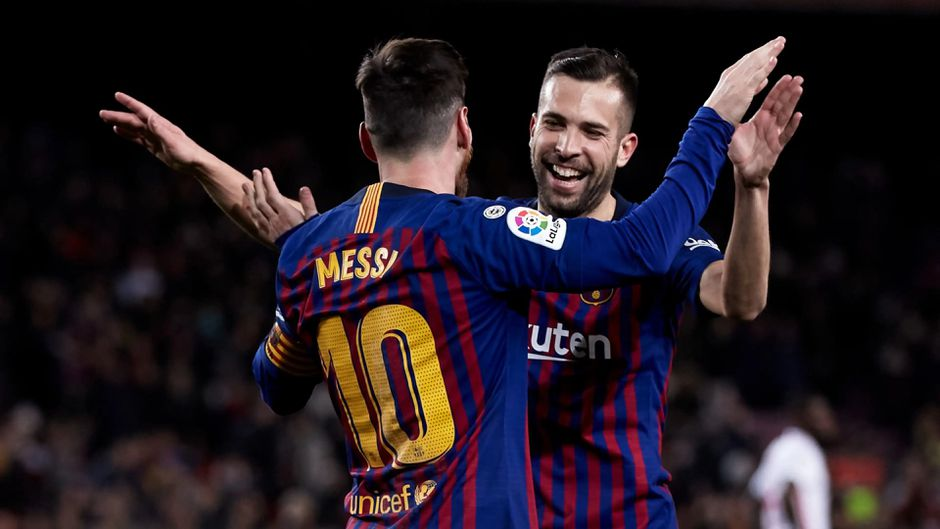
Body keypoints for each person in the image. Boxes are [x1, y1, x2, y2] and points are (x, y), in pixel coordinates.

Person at [101, 36, 793, 528]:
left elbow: (739, 298)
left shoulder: (640, 237)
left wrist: (752, 188)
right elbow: (368, 246)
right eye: (555, 124)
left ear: (625, 148)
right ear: (524, 129)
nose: (568, 146)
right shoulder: (490, 235)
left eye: (592, 131)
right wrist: (713, 119)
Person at [749, 395, 837, 529]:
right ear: (803, 415)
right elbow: (769, 491)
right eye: (818, 412)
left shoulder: (803, 445)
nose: (825, 418)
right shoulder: (794, 444)